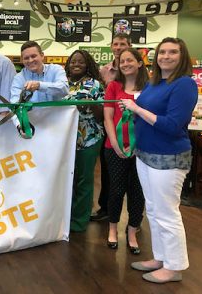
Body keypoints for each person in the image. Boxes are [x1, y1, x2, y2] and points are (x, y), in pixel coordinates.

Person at [122, 37, 197, 284]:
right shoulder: (156, 83)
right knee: (153, 210)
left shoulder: (184, 84)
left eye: (173, 52)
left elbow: (173, 125)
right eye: (162, 52)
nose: (166, 56)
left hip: (169, 158)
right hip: (145, 155)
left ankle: (175, 267)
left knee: (167, 212)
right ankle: (161, 258)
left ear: (182, 56)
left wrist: (136, 109)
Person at [103, 48, 148, 254]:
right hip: (115, 149)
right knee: (116, 191)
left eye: (130, 60)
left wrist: (136, 145)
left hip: (142, 150)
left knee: (137, 193)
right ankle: (112, 229)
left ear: (140, 63)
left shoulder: (149, 88)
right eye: (122, 61)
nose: (125, 64)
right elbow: (108, 117)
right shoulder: (113, 86)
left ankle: (132, 231)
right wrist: (115, 143)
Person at [91, 33, 132, 222]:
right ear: (111, 47)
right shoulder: (103, 71)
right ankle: (105, 208)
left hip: (130, 128)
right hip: (106, 125)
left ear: (129, 45)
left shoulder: (135, 72)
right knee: (107, 169)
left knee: (131, 176)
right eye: (115, 44)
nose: (118, 47)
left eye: (122, 44)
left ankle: (132, 215)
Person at [64, 49, 105, 232]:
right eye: (73, 62)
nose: (76, 65)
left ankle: (80, 221)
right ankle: (66, 216)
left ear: (87, 64)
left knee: (83, 179)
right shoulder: (62, 83)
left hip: (89, 138)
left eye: (80, 62)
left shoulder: (94, 84)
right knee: (67, 180)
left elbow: (102, 114)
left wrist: (90, 104)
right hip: (65, 139)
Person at [10, 40, 68, 133]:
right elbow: (15, 104)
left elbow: (64, 89)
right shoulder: (18, 78)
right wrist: (21, 125)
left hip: (57, 127)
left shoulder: (56, 69)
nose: (30, 60)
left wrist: (39, 85)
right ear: (22, 60)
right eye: (26, 58)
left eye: (33, 56)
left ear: (42, 55)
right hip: (32, 128)